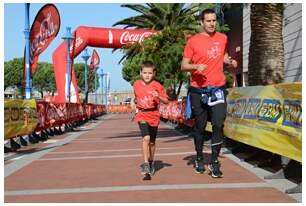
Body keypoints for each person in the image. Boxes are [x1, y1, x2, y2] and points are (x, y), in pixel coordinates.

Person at [181, 8, 237, 178]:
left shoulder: (223, 38)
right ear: (202, 22)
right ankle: (199, 157)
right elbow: (183, 66)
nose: (212, 24)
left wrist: (230, 61)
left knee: (219, 123)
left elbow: (223, 56)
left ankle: (214, 162)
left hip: (218, 88)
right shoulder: (193, 41)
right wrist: (195, 67)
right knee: (200, 125)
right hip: (198, 90)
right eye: (208, 21)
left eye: (214, 20)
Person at [130, 61, 169, 176]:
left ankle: (151, 161)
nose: (147, 75)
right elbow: (134, 95)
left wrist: (159, 96)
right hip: (141, 114)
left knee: (152, 142)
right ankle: (146, 163)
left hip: (154, 115)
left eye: (150, 73)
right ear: (140, 73)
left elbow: (166, 101)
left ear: (154, 73)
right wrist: (132, 101)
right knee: (146, 138)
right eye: (145, 73)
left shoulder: (158, 86)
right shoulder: (136, 84)